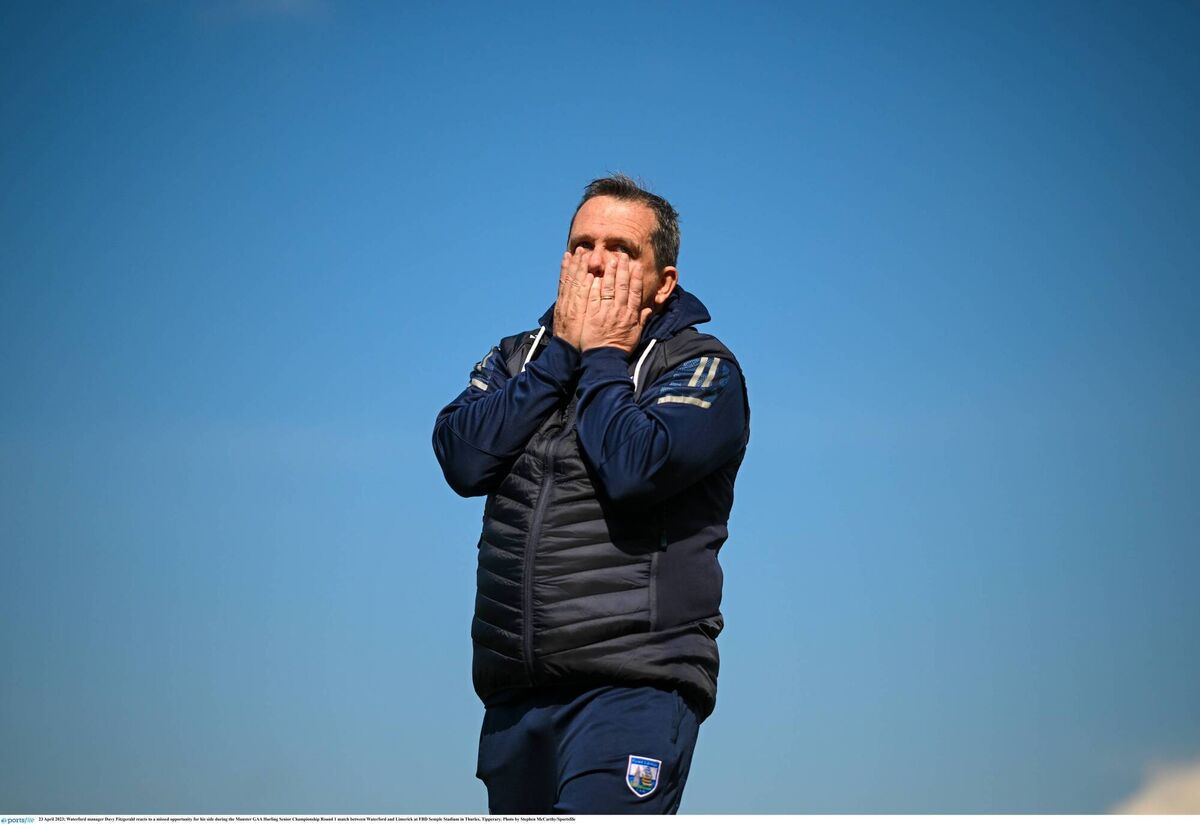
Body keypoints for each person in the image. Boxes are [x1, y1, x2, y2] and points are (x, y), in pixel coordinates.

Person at [431, 174, 751, 814]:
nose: (598, 261)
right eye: (583, 245)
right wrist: (556, 361)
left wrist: (603, 354)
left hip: (631, 689)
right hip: (514, 699)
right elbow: (463, 458)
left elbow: (637, 467)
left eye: (621, 249)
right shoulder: (516, 358)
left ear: (664, 282)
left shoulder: (701, 367)